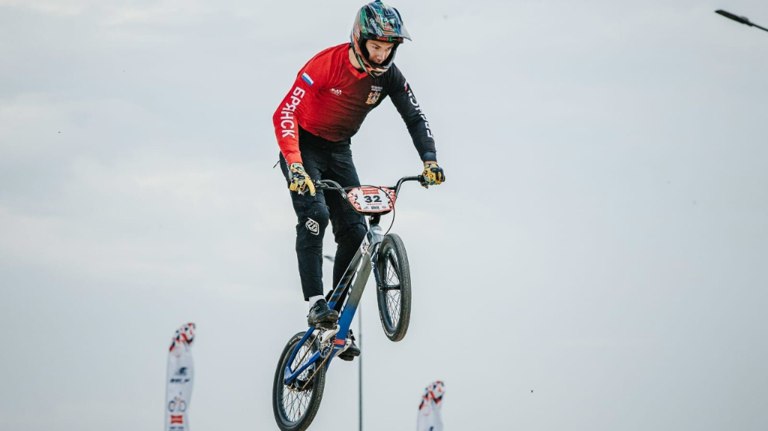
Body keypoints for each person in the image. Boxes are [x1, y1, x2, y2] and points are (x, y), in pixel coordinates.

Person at [272, 0, 445, 361]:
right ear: (359, 40)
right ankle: (316, 304)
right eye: (375, 46)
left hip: (339, 150)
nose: (381, 55)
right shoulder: (326, 65)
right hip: (302, 148)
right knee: (316, 214)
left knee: (355, 232)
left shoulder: (390, 77)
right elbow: (285, 111)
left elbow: (415, 116)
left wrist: (429, 160)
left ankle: (335, 321)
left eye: (388, 48)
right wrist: (295, 164)